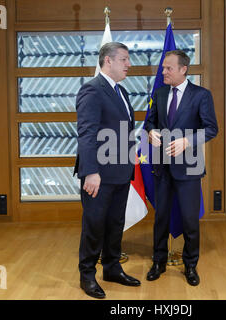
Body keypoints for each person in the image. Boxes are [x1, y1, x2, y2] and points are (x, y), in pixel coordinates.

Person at [144, 50, 218, 286]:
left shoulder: (201, 95)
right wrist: (151, 131)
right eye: (163, 68)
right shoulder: (160, 92)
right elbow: (150, 121)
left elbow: (211, 128)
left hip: (189, 168)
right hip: (162, 167)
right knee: (161, 218)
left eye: (168, 68)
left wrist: (187, 141)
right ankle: (159, 262)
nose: (163, 72)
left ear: (183, 69)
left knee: (189, 220)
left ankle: (191, 266)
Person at [74, 42, 140, 299]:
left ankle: (112, 268)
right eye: (124, 59)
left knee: (115, 224)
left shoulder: (121, 92)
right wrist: (91, 172)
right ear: (108, 61)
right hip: (98, 175)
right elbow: (87, 134)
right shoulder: (92, 90)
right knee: (94, 225)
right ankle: (87, 276)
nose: (129, 64)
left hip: (121, 173)